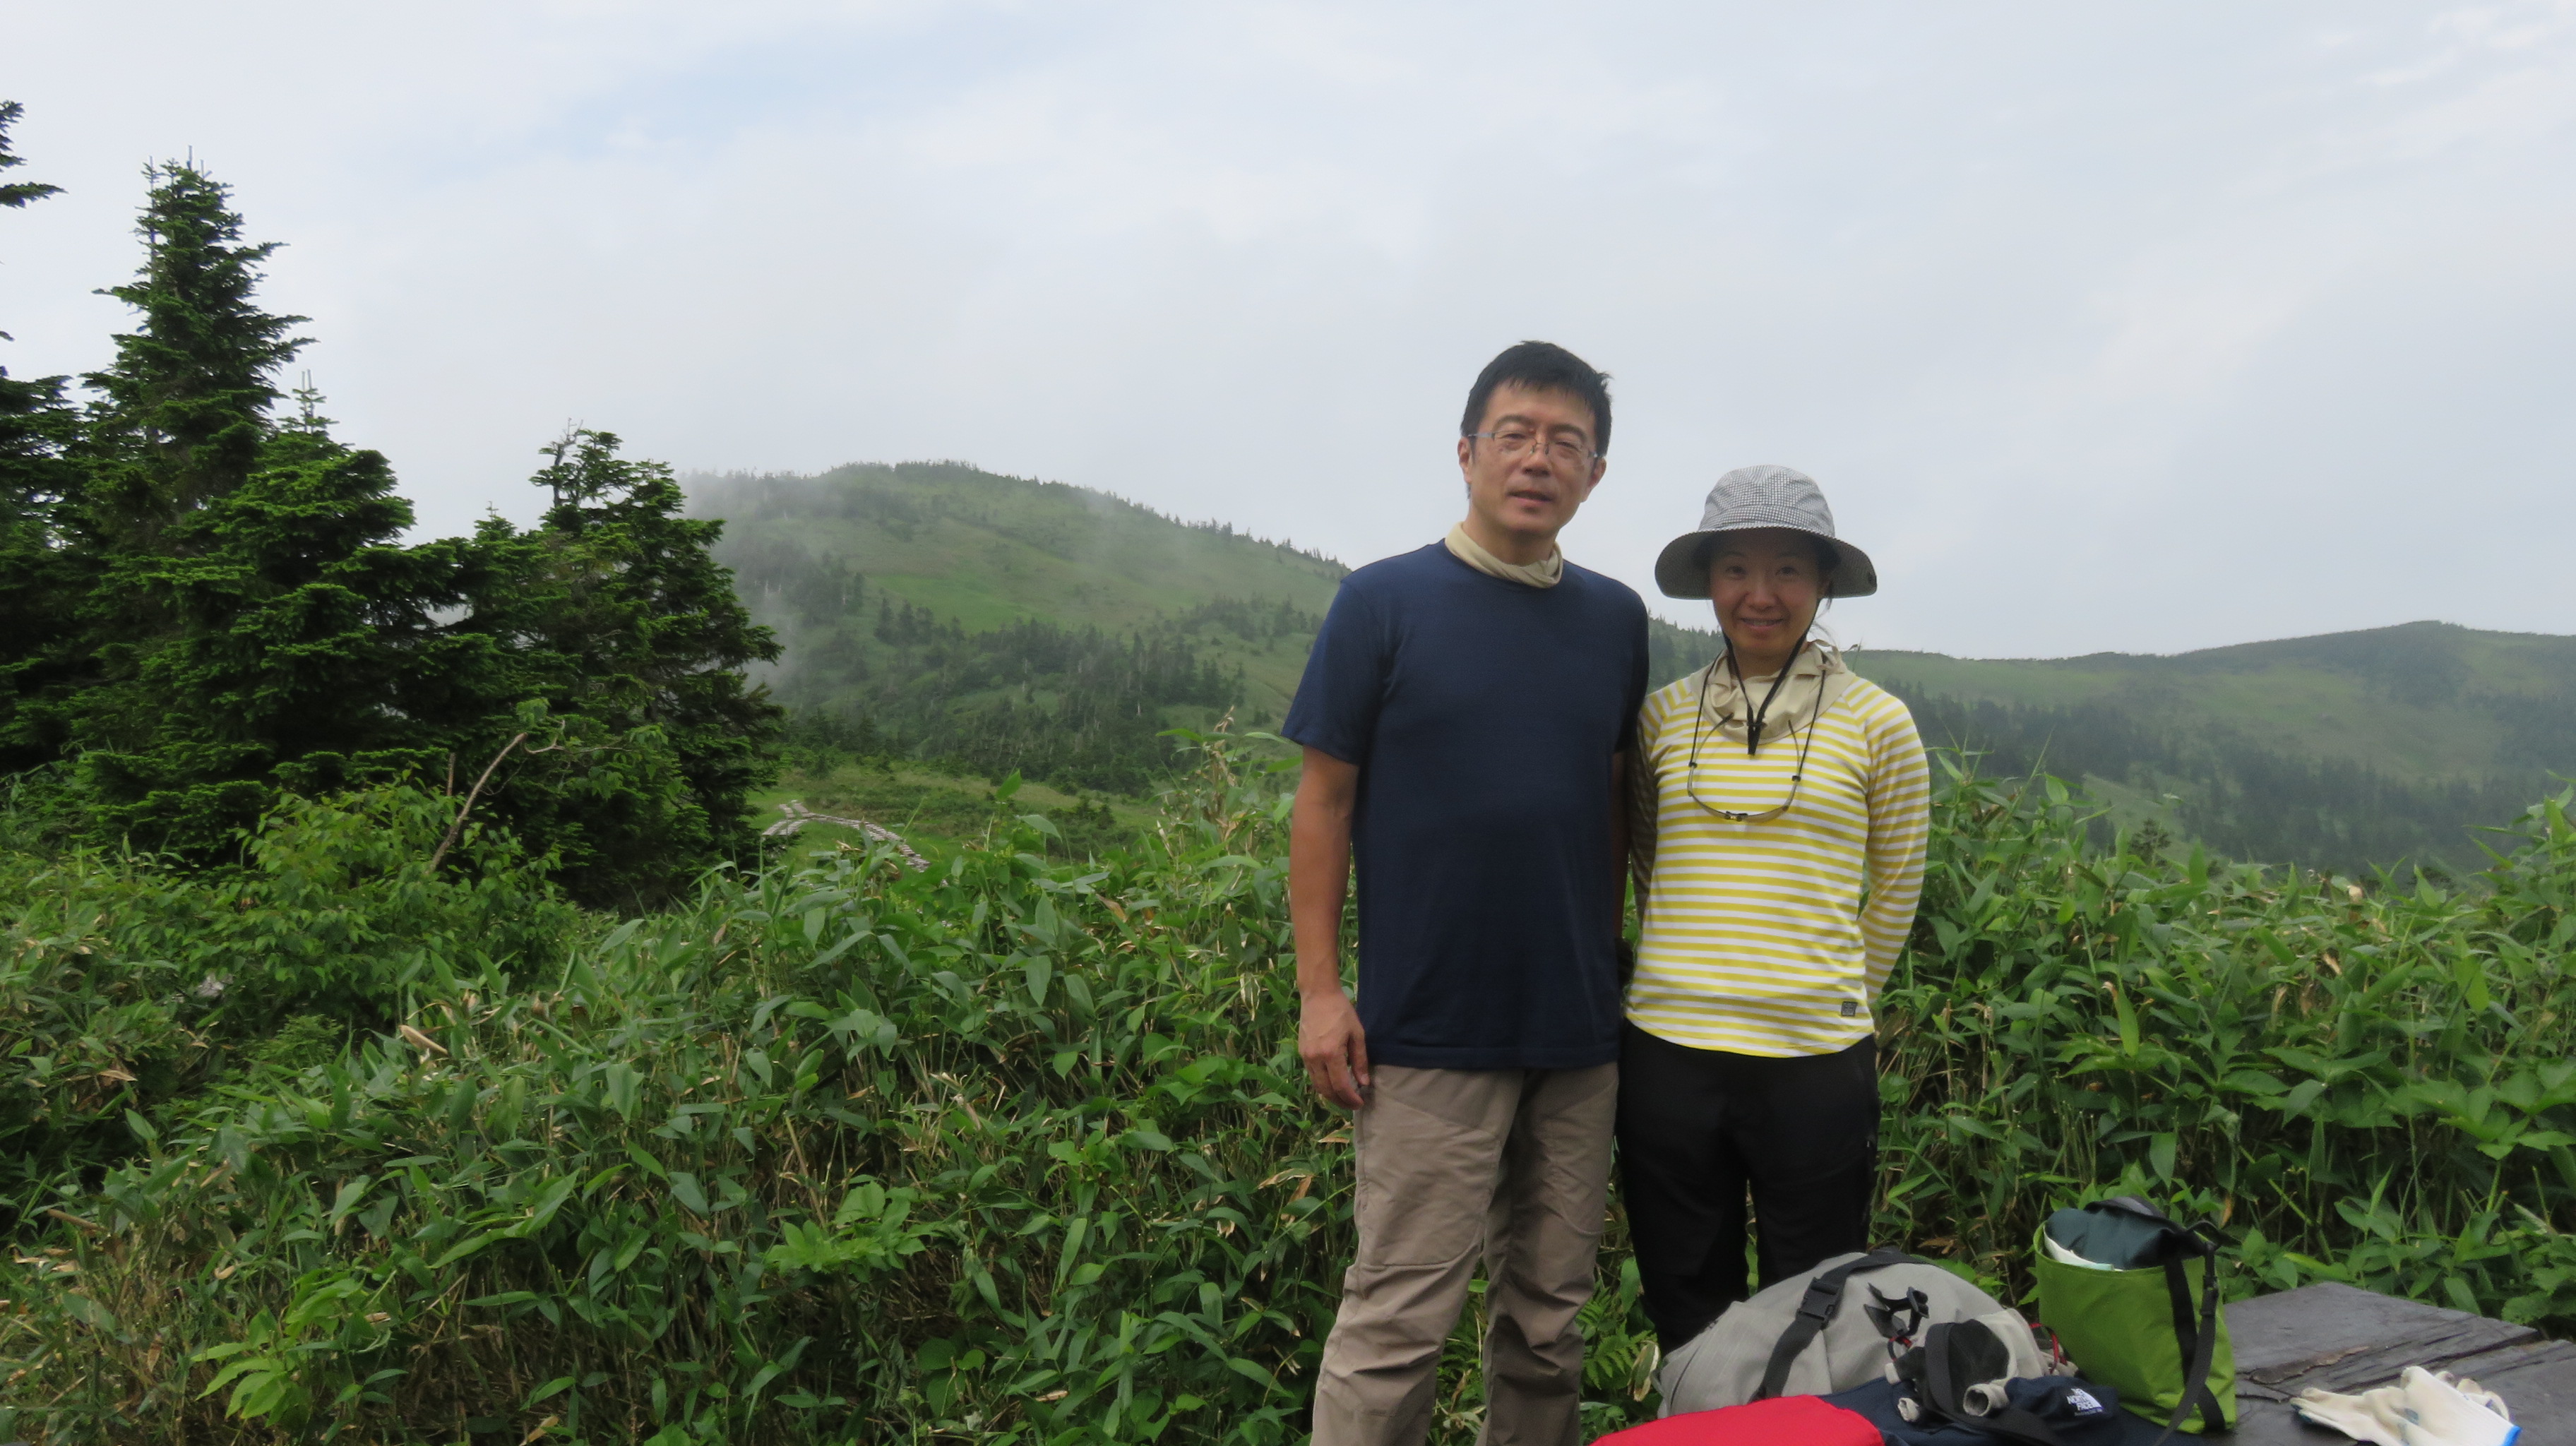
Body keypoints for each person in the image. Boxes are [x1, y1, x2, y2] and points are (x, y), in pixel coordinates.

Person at [1285, 341, 1650, 1446]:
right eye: (1516, 435)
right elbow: (1323, 803)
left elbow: (1619, 796)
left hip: (1578, 1034)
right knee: (1398, 1316)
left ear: (1595, 475)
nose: (1539, 460)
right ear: (1466, 453)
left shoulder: (1614, 619)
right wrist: (1319, 992)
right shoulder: (1383, 602)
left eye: (1567, 444)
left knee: (1548, 1322)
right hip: (1430, 1032)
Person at [1616, 465, 1931, 1354]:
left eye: (1789, 569)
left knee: (1818, 1306)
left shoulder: (1879, 722)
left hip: (1815, 1064)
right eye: (1737, 569)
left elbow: (1897, 882)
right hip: (1667, 1056)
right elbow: (1649, 863)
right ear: (1709, 582)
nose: (1761, 594)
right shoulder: (1663, 718)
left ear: (1824, 582)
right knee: (1686, 1300)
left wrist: (1834, 995)